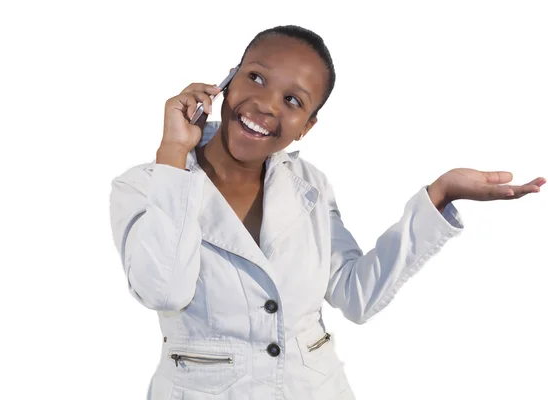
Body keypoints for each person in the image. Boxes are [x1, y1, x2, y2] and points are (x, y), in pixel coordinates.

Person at [109, 25, 544, 400]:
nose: (266, 105)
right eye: (256, 77)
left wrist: (439, 196)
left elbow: (356, 295)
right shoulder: (145, 185)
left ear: (309, 125)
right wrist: (172, 152)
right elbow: (162, 291)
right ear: (226, 80)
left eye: (294, 101)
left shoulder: (308, 186)